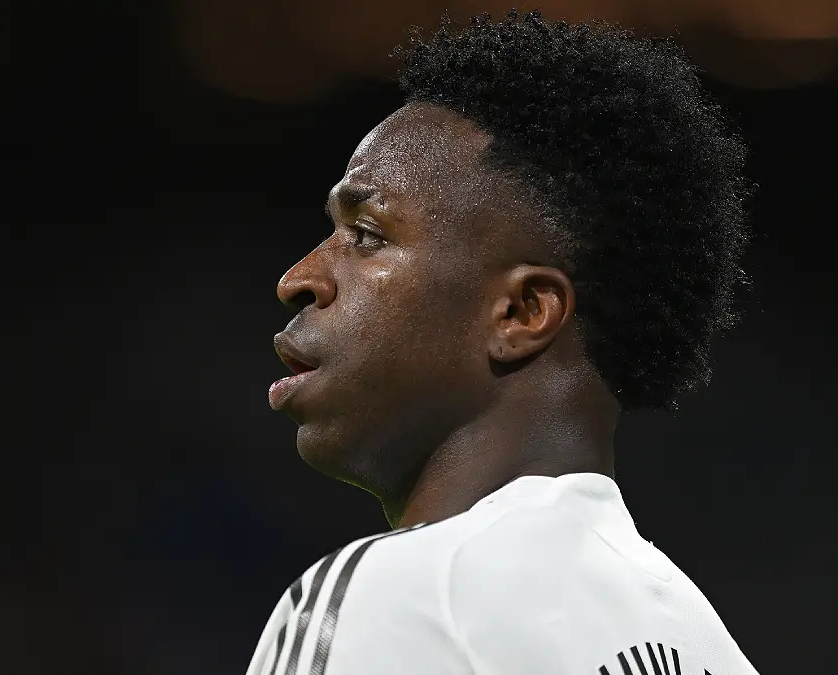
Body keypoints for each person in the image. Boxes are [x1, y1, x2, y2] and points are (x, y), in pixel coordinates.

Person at [251, 9, 756, 675]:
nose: (301, 279)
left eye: (367, 234)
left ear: (521, 312)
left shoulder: (399, 597)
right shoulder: (705, 643)